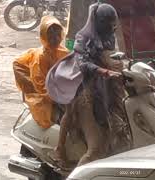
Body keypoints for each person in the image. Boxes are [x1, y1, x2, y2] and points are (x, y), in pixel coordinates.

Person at [49, 3, 124, 167]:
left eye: (113, 25)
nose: (112, 28)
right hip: (82, 87)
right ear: (100, 22)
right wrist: (104, 71)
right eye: (108, 25)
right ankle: (60, 148)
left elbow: (113, 55)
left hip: (103, 89)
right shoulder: (84, 37)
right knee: (96, 150)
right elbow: (83, 64)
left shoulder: (110, 35)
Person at [13, 16, 68, 129]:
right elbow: (40, 85)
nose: (56, 39)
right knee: (58, 117)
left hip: (59, 91)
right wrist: (58, 99)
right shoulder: (40, 58)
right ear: (44, 37)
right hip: (42, 94)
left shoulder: (63, 52)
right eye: (51, 36)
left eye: (58, 35)